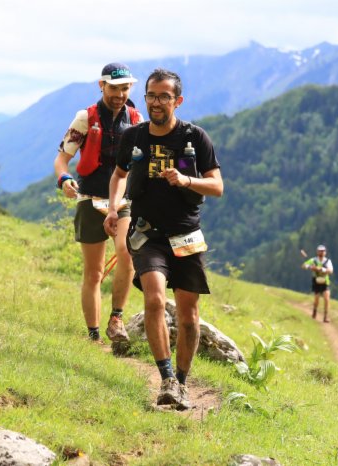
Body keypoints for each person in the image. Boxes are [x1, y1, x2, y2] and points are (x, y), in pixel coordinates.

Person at [104, 68, 223, 410]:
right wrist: (113, 208)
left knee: (188, 316)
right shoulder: (134, 137)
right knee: (154, 300)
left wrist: (186, 181)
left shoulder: (195, 137)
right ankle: (166, 378)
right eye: (151, 96)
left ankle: (182, 382)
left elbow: (217, 186)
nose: (156, 103)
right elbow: (119, 174)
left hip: (186, 235)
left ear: (177, 100)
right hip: (147, 234)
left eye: (164, 97)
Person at [54, 63, 144, 343]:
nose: (120, 94)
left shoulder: (136, 119)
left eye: (125, 88)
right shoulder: (85, 118)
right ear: (101, 85)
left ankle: (116, 319)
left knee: (127, 254)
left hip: (123, 201)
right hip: (90, 198)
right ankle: (93, 335)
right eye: (114, 88)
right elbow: (62, 159)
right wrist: (65, 179)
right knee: (94, 272)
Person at [302, 245, 334, 322]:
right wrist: (310, 267)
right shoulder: (313, 260)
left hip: (325, 282)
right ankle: (315, 311)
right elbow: (303, 265)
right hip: (316, 281)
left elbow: (331, 271)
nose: (321, 253)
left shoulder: (328, 261)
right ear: (317, 252)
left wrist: (323, 269)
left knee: (326, 298)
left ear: (325, 252)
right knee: (316, 299)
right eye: (320, 251)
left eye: (323, 251)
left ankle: (326, 316)